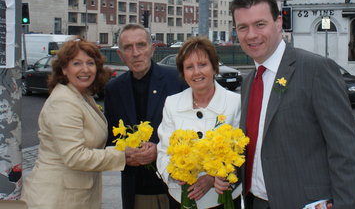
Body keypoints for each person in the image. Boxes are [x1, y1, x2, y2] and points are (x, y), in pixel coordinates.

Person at [230, 0, 355, 209]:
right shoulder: (249, 81)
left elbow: (345, 152)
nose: (251, 35)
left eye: (260, 24)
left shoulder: (315, 70)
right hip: (256, 202)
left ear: (278, 23)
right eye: (243, 27)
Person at [21, 38, 135, 209]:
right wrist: (123, 155)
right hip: (56, 198)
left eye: (90, 63)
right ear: (64, 69)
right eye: (77, 63)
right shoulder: (63, 101)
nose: (85, 69)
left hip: (74, 195)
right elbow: (75, 156)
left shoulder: (82, 95)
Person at [104, 24, 187, 209]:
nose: (135, 53)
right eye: (128, 47)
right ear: (120, 54)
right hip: (137, 190)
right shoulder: (114, 89)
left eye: (141, 45)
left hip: (177, 188)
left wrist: (158, 150)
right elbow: (110, 140)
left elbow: (193, 131)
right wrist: (125, 154)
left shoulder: (177, 81)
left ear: (152, 49)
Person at [156, 37, 242, 209]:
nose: (196, 72)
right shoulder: (172, 103)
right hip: (182, 197)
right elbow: (163, 151)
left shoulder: (235, 102)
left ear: (214, 67)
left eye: (202, 65)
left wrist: (213, 178)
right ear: (183, 73)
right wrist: (175, 174)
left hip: (223, 200)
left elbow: (243, 153)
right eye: (189, 67)